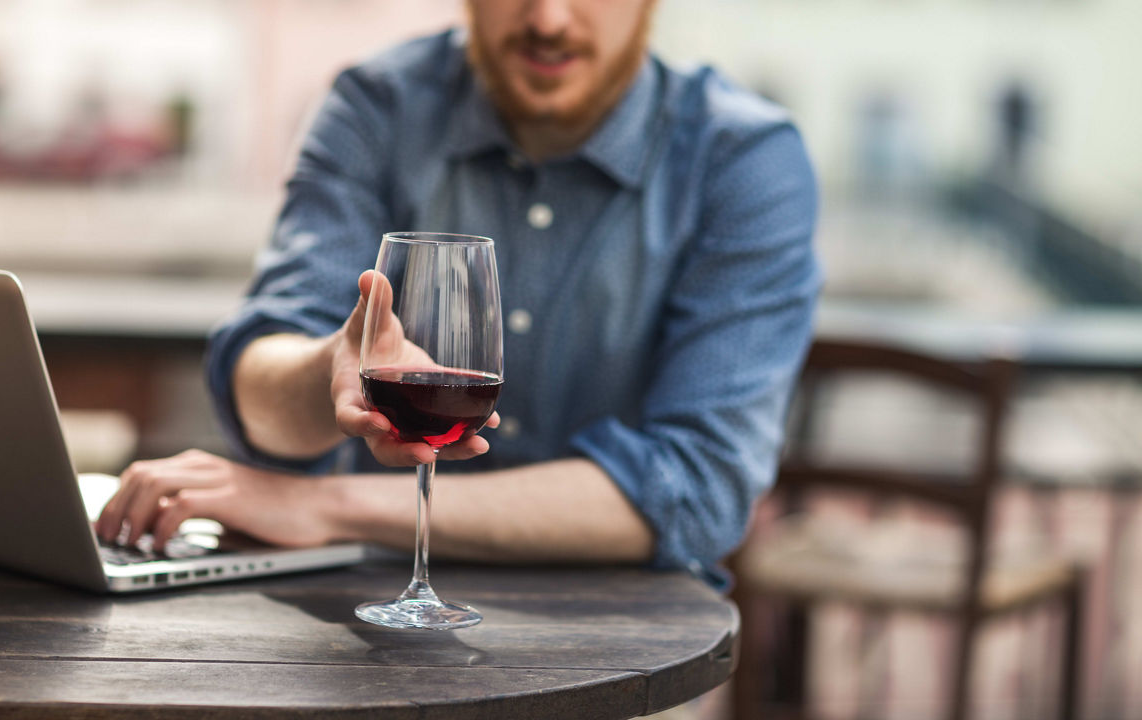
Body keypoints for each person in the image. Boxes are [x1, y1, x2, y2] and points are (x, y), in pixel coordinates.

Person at [96, 0, 821, 588]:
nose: (549, 18)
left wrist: (319, 505)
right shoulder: (377, 106)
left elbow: (696, 491)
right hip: (357, 618)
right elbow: (260, 381)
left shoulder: (744, 160)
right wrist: (329, 367)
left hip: (626, 644)